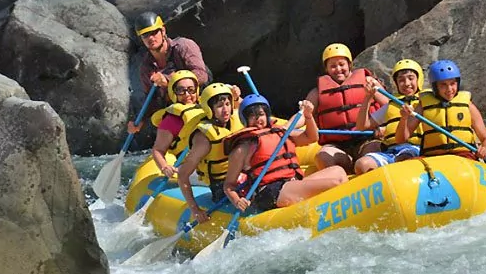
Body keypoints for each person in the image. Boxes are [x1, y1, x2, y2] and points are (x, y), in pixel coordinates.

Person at [221, 94, 347, 217]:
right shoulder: (242, 148)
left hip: (292, 183)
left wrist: (308, 116)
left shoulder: (281, 133)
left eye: (261, 114)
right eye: (252, 116)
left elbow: (311, 137)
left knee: (339, 172)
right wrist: (237, 201)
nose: (258, 119)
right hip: (270, 192)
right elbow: (229, 185)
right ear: (244, 119)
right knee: (335, 183)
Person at [304, 43, 389, 172]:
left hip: (367, 138)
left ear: (349, 65)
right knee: (322, 157)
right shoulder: (316, 92)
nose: (338, 69)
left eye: (341, 64)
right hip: (338, 146)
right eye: (332, 66)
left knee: (371, 155)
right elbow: (303, 114)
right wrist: (286, 127)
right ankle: (341, 182)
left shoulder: (368, 82)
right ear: (326, 69)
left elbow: (390, 107)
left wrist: (384, 127)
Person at [396, 60, 486, 161]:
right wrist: (404, 118)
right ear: (435, 87)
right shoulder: (423, 106)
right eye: (443, 85)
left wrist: (485, 148)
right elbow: (401, 139)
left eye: (452, 83)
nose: (449, 89)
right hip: (432, 158)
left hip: (463, 156)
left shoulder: (467, 105)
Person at [177, 82, 244, 223]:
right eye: (219, 106)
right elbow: (183, 175)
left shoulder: (235, 121)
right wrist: (195, 209)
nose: (225, 110)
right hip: (221, 186)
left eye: (227, 104)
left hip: (242, 176)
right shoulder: (204, 138)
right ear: (209, 109)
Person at [354, 59, 425, 174]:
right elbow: (362, 126)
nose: (406, 83)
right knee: (362, 164)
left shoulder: (425, 103)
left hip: (415, 149)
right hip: (390, 151)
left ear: (419, 80)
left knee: (404, 158)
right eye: (401, 80)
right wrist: (367, 98)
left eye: (411, 78)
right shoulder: (390, 106)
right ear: (396, 84)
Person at [133, 11, 210, 112]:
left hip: (204, 102)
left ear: (163, 31)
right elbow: (151, 101)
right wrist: (140, 121)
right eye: (145, 35)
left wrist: (169, 82)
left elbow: (202, 76)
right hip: (177, 112)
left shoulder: (184, 46)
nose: (150, 38)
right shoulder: (146, 67)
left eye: (154, 32)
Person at [146, 70, 205, 177]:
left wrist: (236, 97)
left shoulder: (209, 107)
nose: (187, 94)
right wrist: (164, 167)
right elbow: (158, 150)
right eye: (180, 90)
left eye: (191, 90)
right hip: (191, 168)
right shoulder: (170, 120)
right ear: (173, 93)